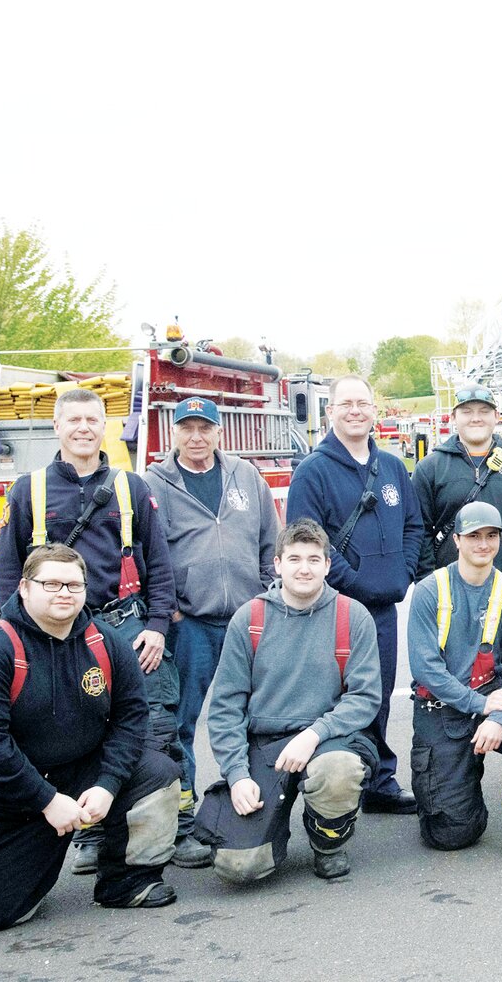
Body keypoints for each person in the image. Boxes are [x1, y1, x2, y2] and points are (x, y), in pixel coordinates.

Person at [0, 544, 181, 932]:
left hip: (73, 774)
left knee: (157, 771)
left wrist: (107, 786)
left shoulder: (108, 643)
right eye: (52, 583)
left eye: (74, 585)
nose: (65, 593)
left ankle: (125, 882)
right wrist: (46, 801)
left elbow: (131, 720)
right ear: (24, 588)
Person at [0, 387, 181, 872]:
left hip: (126, 627)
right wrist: (20, 639)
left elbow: (159, 563)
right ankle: (92, 833)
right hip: (57, 635)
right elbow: (9, 574)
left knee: (155, 725)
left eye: (93, 420)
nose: (83, 428)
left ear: (106, 427)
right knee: (74, 731)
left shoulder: (132, 487)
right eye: (73, 419)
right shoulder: (28, 490)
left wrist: (158, 626)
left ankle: (169, 825)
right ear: (57, 427)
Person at [194, 519, 382, 882]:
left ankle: (326, 839)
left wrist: (313, 734)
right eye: (294, 559)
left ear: (328, 565)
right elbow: (225, 708)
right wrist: (237, 775)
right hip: (266, 744)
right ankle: (266, 832)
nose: (304, 568)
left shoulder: (352, 616)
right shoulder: (250, 618)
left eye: (314, 559)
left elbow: (364, 697)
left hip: (328, 739)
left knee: (338, 771)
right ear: (277, 564)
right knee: (239, 868)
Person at [145, 397, 279, 859]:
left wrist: (266, 593)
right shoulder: (154, 485)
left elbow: (270, 541)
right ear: (174, 434)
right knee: (180, 721)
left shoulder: (246, 476)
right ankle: (183, 820)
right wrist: (171, 610)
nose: (196, 436)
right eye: (188, 428)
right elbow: (149, 552)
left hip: (248, 621)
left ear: (219, 432)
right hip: (191, 625)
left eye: (205, 428)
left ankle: (250, 806)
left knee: (254, 716)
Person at [287, 374, 424, 815]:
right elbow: (307, 541)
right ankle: (331, 785)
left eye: (362, 403)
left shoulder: (393, 468)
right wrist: (355, 582)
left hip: (383, 609)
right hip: (335, 608)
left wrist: (403, 572)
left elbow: (414, 525)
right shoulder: (313, 472)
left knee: (378, 693)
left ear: (373, 411)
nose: (354, 411)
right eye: (345, 403)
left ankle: (379, 781)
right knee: (333, 697)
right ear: (330, 412)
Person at [407, 502, 502, 863]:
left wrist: (498, 717)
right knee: (451, 833)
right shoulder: (430, 591)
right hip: (444, 705)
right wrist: (478, 705)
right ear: (457, 540)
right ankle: (458, 793)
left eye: (491, 536)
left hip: (499, 698)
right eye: (474, 536)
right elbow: (426, 668)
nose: (483, 544)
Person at [416, 381, 502, 599]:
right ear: (453, 418)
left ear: (496, 416)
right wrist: (430, 585)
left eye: (484, 411)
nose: (475, 418)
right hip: (449, 594)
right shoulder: (430, 468)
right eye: (466, 411)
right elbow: (419, 531)